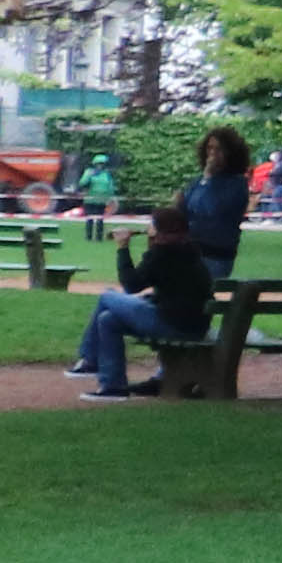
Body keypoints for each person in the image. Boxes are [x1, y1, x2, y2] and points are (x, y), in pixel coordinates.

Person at [72, 127, 252, 395]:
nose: (212, 155)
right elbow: (181, 215)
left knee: (185, 307)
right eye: (209, 149)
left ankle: (117, 365)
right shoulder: (198, 184)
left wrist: (207, 181)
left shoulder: (234, 185)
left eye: (218, 149)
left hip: (213, 255)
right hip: (186, 252)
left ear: (231, 153)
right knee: (166, 301)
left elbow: (210, 209)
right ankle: (156, 374)